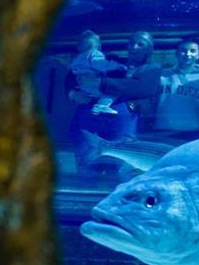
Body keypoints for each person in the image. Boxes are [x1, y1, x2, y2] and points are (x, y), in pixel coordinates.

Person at [68, 31, 161, 167]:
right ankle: (87, 181)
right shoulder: (112, 61)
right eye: (132, 43)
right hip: (92, 112)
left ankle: (118, 186)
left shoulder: (152, 69)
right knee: (86, 152)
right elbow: (75, 72)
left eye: (140, 44)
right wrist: (72, 92)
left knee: (123, 158)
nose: (134, 47)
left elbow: (141, 87)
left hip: (123, 117)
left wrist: (100, 82)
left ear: (148, 50)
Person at [152, 38, 199, 138]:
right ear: (176, 54)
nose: (188, 54)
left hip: (196, 130)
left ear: (198, 55)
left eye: (192, 51)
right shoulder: (162, 75)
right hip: (163, 129)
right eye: (183, 51)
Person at [68, 30, 126, 115]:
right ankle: (102, 105)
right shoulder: (94, 53)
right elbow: (101, 64)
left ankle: (94, 107)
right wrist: (117, 66)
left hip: (82, 87)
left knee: (89, 99)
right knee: (111, 93)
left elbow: (72, 71)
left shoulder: (77, 59)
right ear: (98, 46)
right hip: (93, 83)